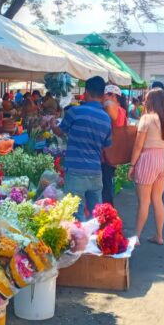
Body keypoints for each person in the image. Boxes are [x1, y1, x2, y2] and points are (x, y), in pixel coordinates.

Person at [128, 88, 164, 244]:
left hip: (147, 159)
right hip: (163, 159)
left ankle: (136, 237)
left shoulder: (146, 118)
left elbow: (138, 145)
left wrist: (132, 165)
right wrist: (163, 145)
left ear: (151, 101)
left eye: (147, 99)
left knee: (144, 202)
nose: (144, 101)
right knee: (158, 199)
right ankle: (159, 236)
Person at [50, 76, 112, 220]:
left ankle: (81, 243)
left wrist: (53, 125)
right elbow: (106, 145)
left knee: (75, 216)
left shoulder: (75, 112)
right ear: (103, 95)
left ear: (86, 92)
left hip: (75, 172)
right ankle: (95, 241)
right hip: (96, 172)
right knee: (96, 216)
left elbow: (60, 131)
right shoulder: (106, 118)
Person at [101, 84, 127, 204]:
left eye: (105, 95)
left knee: (105, 186)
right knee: (107, 184)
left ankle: (107, 214)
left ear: (114, 96)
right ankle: (108, 212)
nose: (103, 98)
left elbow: (110, 107)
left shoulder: (114, 109)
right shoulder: (122, 110)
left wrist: (106, 102)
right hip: (114, 152)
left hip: (107, 152)